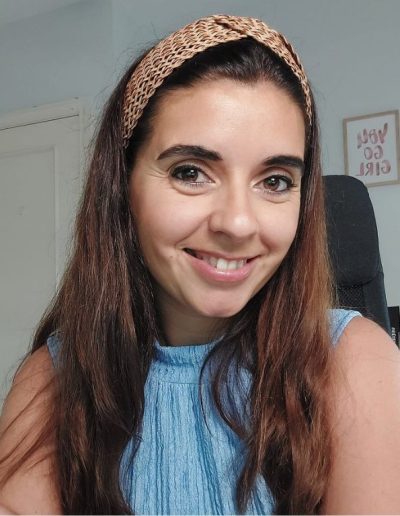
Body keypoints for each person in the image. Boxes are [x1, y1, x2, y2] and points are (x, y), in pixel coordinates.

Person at [0, 14, 399, 515]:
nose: (238, 223)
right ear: (122, 186)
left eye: (275, 181)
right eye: (191, 172)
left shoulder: (354, 364)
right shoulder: (53, 382)